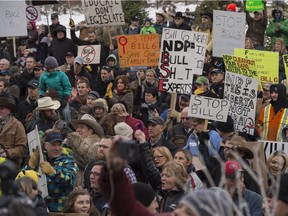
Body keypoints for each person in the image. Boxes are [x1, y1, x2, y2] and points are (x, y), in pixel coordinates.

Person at [26, 131, 78, 212]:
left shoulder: (69, 160)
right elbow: (22, 180)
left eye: (59, 145)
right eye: (54, 145)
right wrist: (31, 166)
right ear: (46, 145)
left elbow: (68, 179)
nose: (57, 148)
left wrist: (52, 172)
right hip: (38, 208)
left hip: (60, 209)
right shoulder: (39, 158)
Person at [67, 114, 103, 186]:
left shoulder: (97, 144)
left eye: (81, 127)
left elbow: (88, 161)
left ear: (90, 131)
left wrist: (75, 140)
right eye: (78, 127)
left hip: (89, 182)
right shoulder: (74, 144)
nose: (77, 130)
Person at [39, 56, 72, 121]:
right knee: (38, 112)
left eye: (54, 67)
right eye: (51, 68)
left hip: (61, 98)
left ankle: (68, 124)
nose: (53, 69)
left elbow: (67, 87)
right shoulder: (43, 76)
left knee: (66, 112)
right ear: (47, 68)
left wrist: (65, 98)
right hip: (48, 99)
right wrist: (41, 96)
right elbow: (41, 88)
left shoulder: (62, 75)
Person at [0, 96, 27, 166]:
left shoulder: (17, 125)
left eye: (1, 109)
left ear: (9, 111)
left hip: (9, 163)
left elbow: (22, 149)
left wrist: (6, 153)